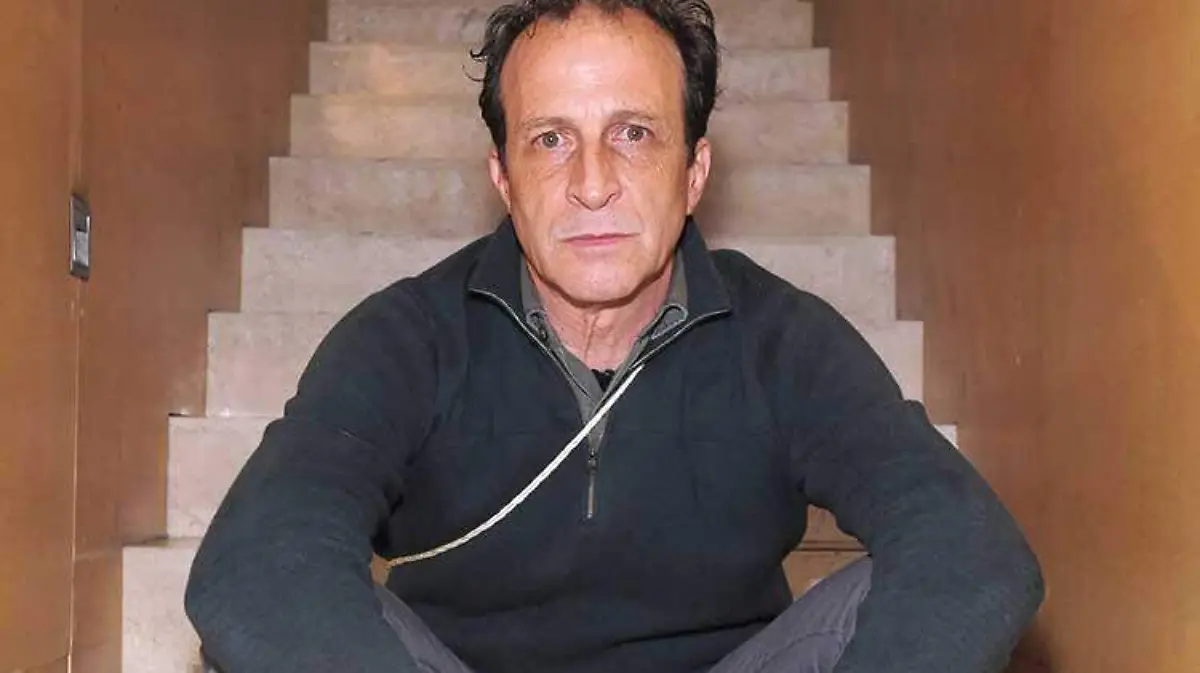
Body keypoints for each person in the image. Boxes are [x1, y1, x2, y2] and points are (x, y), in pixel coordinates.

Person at [185, 0, 1044, 671]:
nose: (592, 183)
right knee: (281, 611)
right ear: (503, 178)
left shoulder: (783, 339)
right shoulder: (407, 337)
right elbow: (255, 561)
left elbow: (973, 551)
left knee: (901, 595)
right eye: (550, 138)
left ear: (694, 171)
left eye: (633, 134)